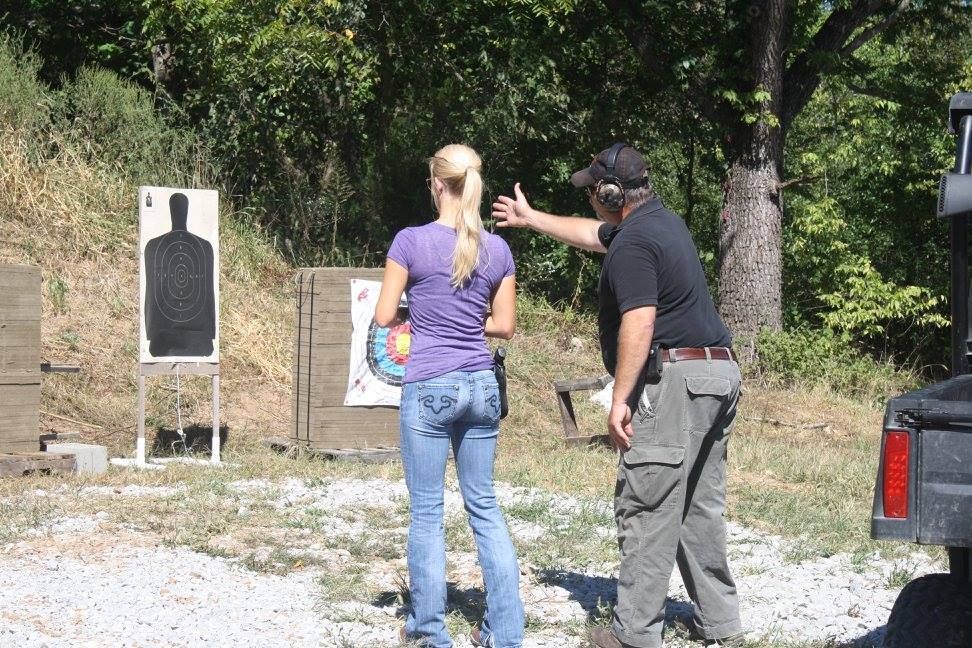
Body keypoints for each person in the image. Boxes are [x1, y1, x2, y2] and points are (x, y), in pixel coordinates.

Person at [492, 143, 744, 648]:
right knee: (697, 503)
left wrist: (620, 397)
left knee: (647, 505)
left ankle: (633, 635)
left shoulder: (632, 245)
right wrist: (532, 218)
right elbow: (592, 235)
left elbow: (640, 320)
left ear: (611, 192)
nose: (589, 199)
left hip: (674, 382)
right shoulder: (660, 224)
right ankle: (720, 623)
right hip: (717, 374)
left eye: (593, 190)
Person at [375, 144, 524, 648]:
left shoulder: (410, 241)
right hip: (481, 385)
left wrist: (424, 315)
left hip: (431, 384)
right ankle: (505, 632)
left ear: (437, 183)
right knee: (483, 504)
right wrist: (464, 319)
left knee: (426, 512)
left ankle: (428, 629)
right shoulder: (498, 250)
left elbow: (382, 315)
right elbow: (503, 326)